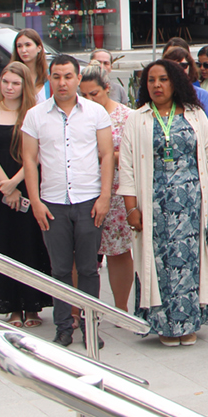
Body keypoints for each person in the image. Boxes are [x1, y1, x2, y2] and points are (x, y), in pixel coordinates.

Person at [119, 59, 208, 346]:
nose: (157, 85)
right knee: (159, 265)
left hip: (192, 205)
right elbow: (126, 167)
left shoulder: (195, 114)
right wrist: (131, 208)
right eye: (151, 80)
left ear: (175, 82)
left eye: (163, 79)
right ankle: (164, 326)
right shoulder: (137, 118)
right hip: (152, 206)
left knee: (189, 263)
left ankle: (188, 324)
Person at [21, 55, 114, 348]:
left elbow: (107, 155)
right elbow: (29, 159)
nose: (62, 83)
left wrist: (105, 197)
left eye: (68, 76)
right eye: (57, 76)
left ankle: (90, 325)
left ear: (78, 78)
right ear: (49, 78)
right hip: (52, 204)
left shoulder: (95, 112)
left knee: (88, 269)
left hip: (88, 201)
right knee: (59, 269)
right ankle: (63, 327)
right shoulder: (35, 115)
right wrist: (35, 202)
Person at [0, 62, 51, 326]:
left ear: (24, 85)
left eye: (15, 83)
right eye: (5, 82)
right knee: (2, 243)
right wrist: (6, 185)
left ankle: (33, 306)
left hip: (29, 184)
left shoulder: (34, 115)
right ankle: (11, 306)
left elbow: (37, 153)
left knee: (30, 243)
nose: (9, 87)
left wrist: (17, 183)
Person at [79, 64, 135, 311]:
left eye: (94, 94)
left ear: (107, 89)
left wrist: (107, 156)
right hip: (84, 190)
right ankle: (79, 309)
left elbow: (134, 154)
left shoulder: (127, 116)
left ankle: (121, 308)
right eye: (84, 95)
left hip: (117, 193)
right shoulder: (76, 115)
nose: (89, 100)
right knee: (81, 253)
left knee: (118, 252)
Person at [162, 46, 208, 122]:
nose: (179, 69)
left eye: (183, 65)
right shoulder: (159, 94)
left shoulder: (201, 94)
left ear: (190, 67)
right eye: (173, 65)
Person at [14, 28, 49, 99]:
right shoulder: (12, 76)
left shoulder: (49, 76)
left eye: (28, 45)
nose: (23, 50)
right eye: (19, 46)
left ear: (39, 48)